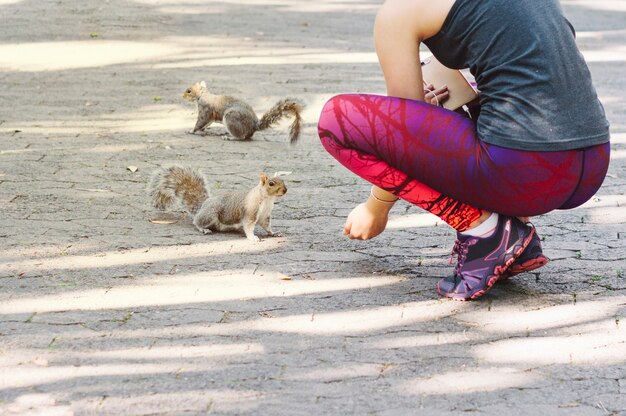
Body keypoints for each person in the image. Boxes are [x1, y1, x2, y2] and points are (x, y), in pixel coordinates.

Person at [317, 0, 611, 301]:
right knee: (474, 107)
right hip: (591, 163)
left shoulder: (398, 12)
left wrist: (375, 208)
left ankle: (485, 232)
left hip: (527, 172)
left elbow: (399, 142)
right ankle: (514, 230)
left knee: (335, 120)